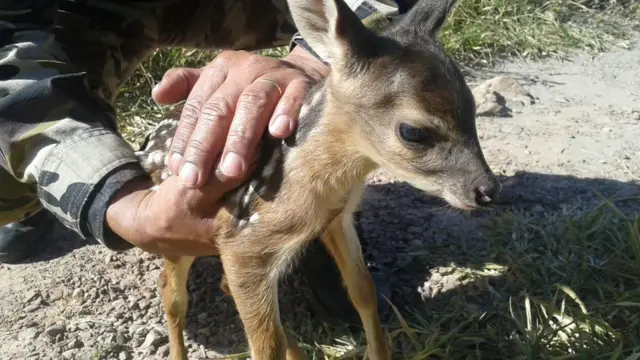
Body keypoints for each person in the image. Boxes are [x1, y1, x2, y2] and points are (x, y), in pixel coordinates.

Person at [0, 0, 414, 325]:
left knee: (347, 70)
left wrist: (315, 60)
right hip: (58, 10)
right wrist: (104, 189)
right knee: (9, 180)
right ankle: (37, 191)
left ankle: (304, 191)